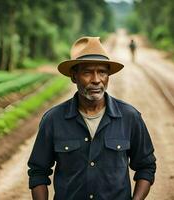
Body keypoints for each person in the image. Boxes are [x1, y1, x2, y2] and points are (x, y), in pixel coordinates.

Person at [27, 36, 156, 200]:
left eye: (102, 72)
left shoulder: (129, 117)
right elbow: (38, 172)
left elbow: (146, 166)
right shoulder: (53, 120)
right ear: (74, 77)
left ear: (108, 76)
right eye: (87, 72)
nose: (96, 80)